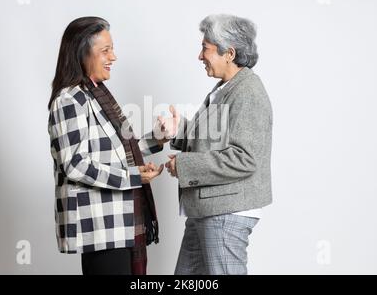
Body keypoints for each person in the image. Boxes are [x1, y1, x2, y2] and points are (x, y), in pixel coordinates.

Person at [47, 16, 164, 275]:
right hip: (99, 228)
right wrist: (135, 177)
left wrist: (158, 137)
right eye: (105, 50)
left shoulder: (95, 95)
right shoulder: (71, 99)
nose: (114, 57)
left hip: (117, 225)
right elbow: (75, 164)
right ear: (82, 52)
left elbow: (118, 151)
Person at [160, 14, 273, 275]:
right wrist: (180, 130)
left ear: (229, 53)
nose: (200, 56)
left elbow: (245, 158)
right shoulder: (227, 88)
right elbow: (216, 140)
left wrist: (184, 165)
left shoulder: (248, 92)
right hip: (209, 210)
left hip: (225, 213)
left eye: (205, 48)